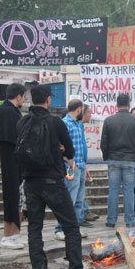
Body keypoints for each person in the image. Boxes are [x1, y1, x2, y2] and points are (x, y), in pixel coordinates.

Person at [17, 85, 93, 269]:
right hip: (53, 181)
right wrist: (59, 148)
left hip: (31, 183)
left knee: (35, 229)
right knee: (71, 227)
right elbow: (70, 149)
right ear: (48, 100)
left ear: (32, 100)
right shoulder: (55, 122)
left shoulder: (22, 122)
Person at [101, 93, 135, 228]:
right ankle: (129, 220)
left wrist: (106, 157)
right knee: (129, 191)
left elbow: (104, 143)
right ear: (129, 105)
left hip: (114, 159)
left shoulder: (109, 120)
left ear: (116, 105)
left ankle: (111, 220)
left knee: (113, 190)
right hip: (131, 160)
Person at [55, 99, 92, 241]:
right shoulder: (65, 124)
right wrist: (70, 162)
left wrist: (84, 166)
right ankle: (60, 229)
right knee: (68, 199)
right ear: (78, 109)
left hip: (80, 167)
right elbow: (60, 146)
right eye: (82, 109)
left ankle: (74, 228)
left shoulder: (78, 124)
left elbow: (81, 147)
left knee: (79, 201)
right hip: (70, 168)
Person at [0, 83, 27, 249]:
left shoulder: (9, 110)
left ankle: (14, 234)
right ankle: (7, 235)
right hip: (10, 159)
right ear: (19, 96)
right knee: (11, 196)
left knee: (18, 197)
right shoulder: (7, 111)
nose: (24, 99)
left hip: (14, 159)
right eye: (24, 96)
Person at [80, 104, 99, 222]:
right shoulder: (74, 125)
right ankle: (81, 216)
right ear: (85, 114)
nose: (91, 115)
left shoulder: (80, 126)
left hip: (81, 164)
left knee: (80, 192)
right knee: (76, 194)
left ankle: (84, 213)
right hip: (74, 166)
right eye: (90, 113)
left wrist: (85, 166)